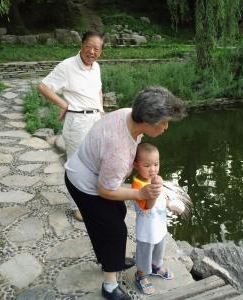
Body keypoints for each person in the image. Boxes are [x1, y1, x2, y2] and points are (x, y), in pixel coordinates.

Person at [64, 86, 186, 300]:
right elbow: (105, 190)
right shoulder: (119, 150)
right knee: (114, 231)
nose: (166, 127)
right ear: (147, 121)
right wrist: (141, 194)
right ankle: (109, 286)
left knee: (116, 214)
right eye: (163, 122)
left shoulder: (128, 114)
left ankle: (111, 259)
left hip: (93, 172)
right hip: (85, 184)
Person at [38, 31, 105, 222]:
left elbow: (98, 90)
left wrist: (101, 112)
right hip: (77, 122)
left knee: (96, 163)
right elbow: (43, 86)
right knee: (76, 166)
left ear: (101, 51)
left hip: (96, 121)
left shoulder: (96, 67)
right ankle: (78, 206)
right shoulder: (67, 66)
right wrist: (65, 105)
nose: (92, 51)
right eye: (89, 46)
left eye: (97, 49)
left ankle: (93, 198)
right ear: (82, 44)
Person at [132, 142, 180, 295]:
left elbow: (161, 199)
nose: (153, 169)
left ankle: (156, 267)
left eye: (156, 164)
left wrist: (170, 205)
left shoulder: (155, 180)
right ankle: (141, 275)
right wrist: (154, 187)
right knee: (145, 254)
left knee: (159, 249)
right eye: (147, 165)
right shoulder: (138, 185)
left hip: (159, 227)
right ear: (136, 165)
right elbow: (148, 205)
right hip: (146, 232)